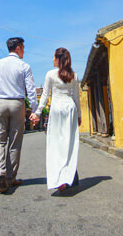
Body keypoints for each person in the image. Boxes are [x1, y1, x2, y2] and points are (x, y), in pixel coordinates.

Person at [0, 37, 38, 194]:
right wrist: (34, 110)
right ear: (18, 48)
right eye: (23, 47)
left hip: (0, 103)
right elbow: (31, 90)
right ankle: (10, 178)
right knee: (15, 142)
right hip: (17, 104)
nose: (24, 50)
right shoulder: (24, 66)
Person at [30, 47, 81, 192]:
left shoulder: (50, 74)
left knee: (55, 144)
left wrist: (38, 113)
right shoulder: (74, 76)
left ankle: (59, 178)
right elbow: (76, 98)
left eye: (53, 57)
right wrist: (79, 115)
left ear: (58, 59)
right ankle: (67, 175)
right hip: (70, 108)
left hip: (57, 108)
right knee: (69, 144)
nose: (52, 59)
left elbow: (45, 96)